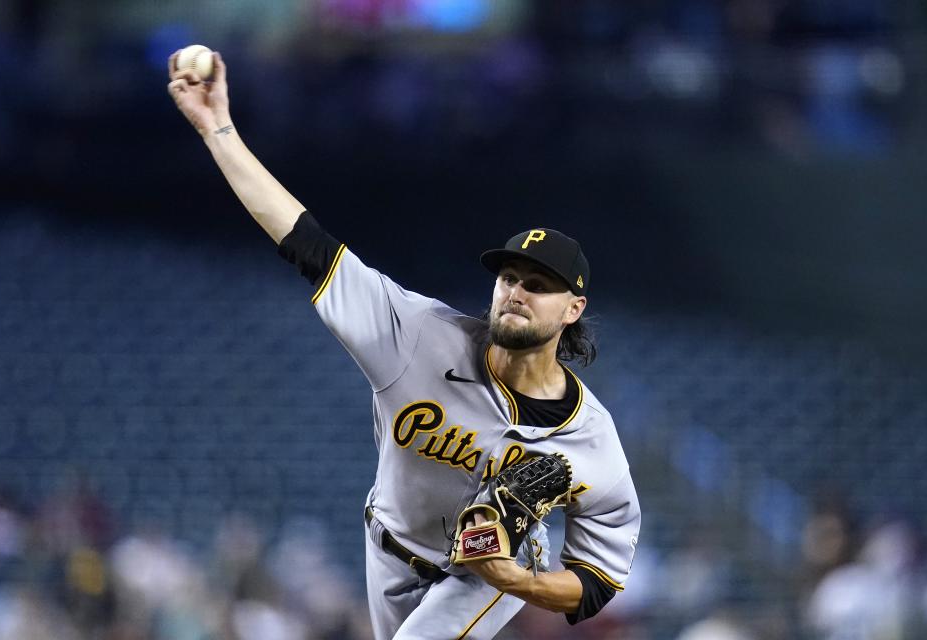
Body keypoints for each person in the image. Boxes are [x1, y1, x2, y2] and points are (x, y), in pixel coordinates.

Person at [167, 50, 641, 640]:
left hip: (490, 576)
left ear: (573, 310)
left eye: (538, 285)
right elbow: (305, 243)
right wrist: (218, 129)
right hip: (387, 543)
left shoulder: (590, 438)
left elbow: (595, 581)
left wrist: (516, 580)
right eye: (509, 278)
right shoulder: (418, 336)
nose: (516, 292)